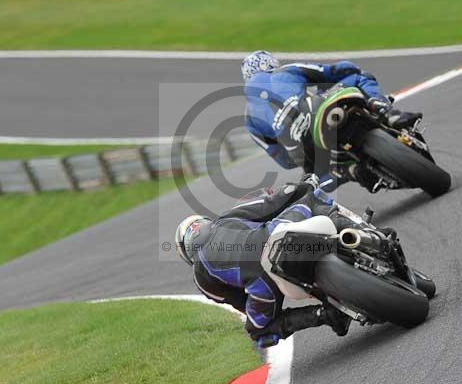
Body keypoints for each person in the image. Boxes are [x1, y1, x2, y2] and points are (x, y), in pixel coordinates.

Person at [175, 174, 396, 348]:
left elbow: (240, 303)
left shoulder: (201, 278)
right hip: (278, 236)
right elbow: (269, 204)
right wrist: (303, 185)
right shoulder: (223, 219)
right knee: (310, 198)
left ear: (187, 254)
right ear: (203, 222)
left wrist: (263, 304)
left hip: (263, 284)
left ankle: (325, 315)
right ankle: (369, 233)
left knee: (259, 333)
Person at [241, 50, 422, 192]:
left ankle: (351, 172)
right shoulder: (286, 71)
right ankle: (384, 110)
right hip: (317, 112)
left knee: (315, 182)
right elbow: (334, 71)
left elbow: (284, 162)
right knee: (360, 77)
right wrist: (345, 71)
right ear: (270, 63)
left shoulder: (249, 120)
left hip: (302, 150)